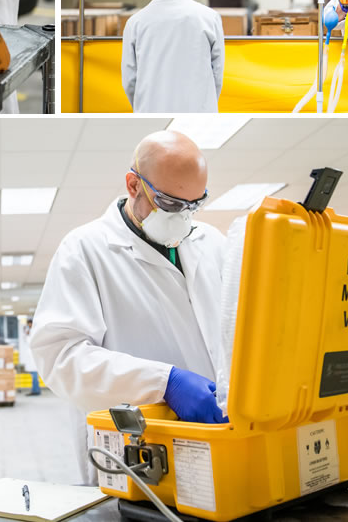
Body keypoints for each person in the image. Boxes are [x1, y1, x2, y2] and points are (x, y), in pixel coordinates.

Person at [30, 130, 227, 483]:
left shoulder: (212, 243)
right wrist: (164, 382)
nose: (183, 217)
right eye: (169, 204)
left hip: (218, 437)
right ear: (134, 185)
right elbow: (60, 358)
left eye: (194, 205)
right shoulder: (84, 250)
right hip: (135, 451)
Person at [121, 0, 225, 114]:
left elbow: (129, 80)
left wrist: (142, 105)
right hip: (198, 111)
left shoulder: (135, 22)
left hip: (150, 110)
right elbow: (217, 74)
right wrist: (205, 103)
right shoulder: (209, 18)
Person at [20, 318, 41, 396]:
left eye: (30, 323)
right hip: (31, 355)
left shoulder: (34, 331)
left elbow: (31, 342)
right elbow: (26, 339)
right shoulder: (30, 332)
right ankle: (35, 389)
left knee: (34, 373)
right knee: (33, 373)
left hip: (33, 355)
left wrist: (28, 334)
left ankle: (36, 390)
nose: (29, 325)